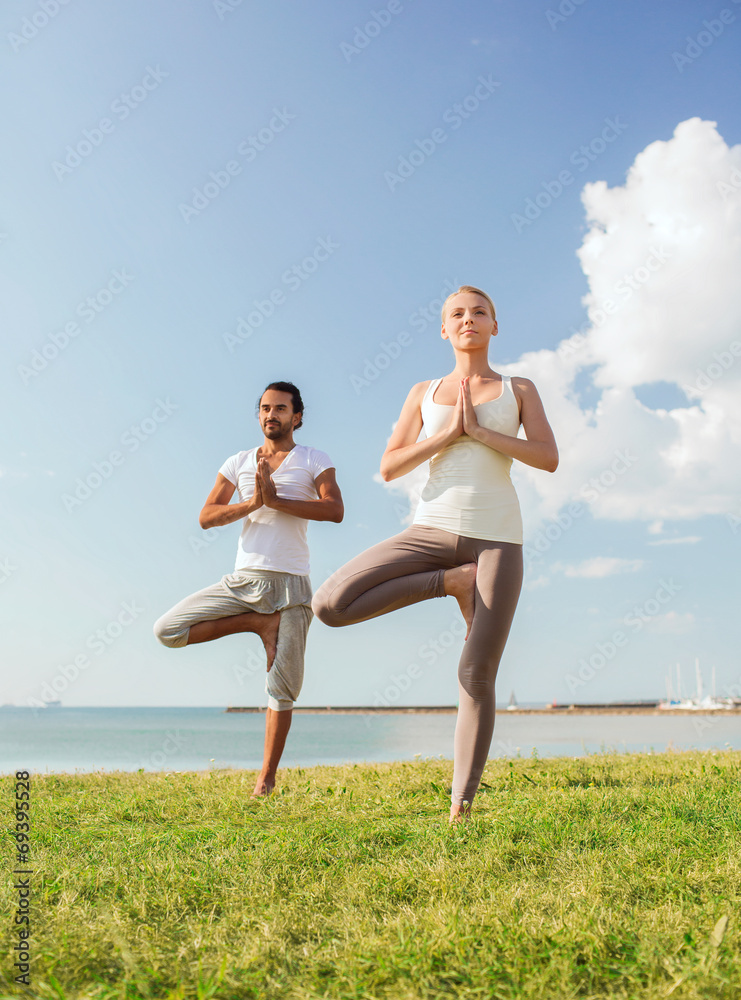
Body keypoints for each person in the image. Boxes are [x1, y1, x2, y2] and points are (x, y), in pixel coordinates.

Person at [312, 286, 557, 822]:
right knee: (329, 603)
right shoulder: (423, 391)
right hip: (431, 530)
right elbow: (390, 465)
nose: (469, 319)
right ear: (444, 330)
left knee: (476, 673)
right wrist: (447, 433)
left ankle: (460, 807)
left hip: (497, 538)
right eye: (457, 314)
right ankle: (451, 583)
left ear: (496, 324)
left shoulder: (519, 387)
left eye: (479, 312)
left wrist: (483, 435)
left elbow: (548, 457)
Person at [154, 381, 343, 797]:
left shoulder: (314, 459)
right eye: (264, 408)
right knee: (167, 630)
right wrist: (253, 503)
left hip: (292, 586)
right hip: (243, 582)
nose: (270, 415)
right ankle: (257, 623)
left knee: (283, 688)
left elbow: (334, 509)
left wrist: (277, 501)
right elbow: (207, 516)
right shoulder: (238, 461)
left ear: (297, 416)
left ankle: (266, 779)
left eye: (280, 408)